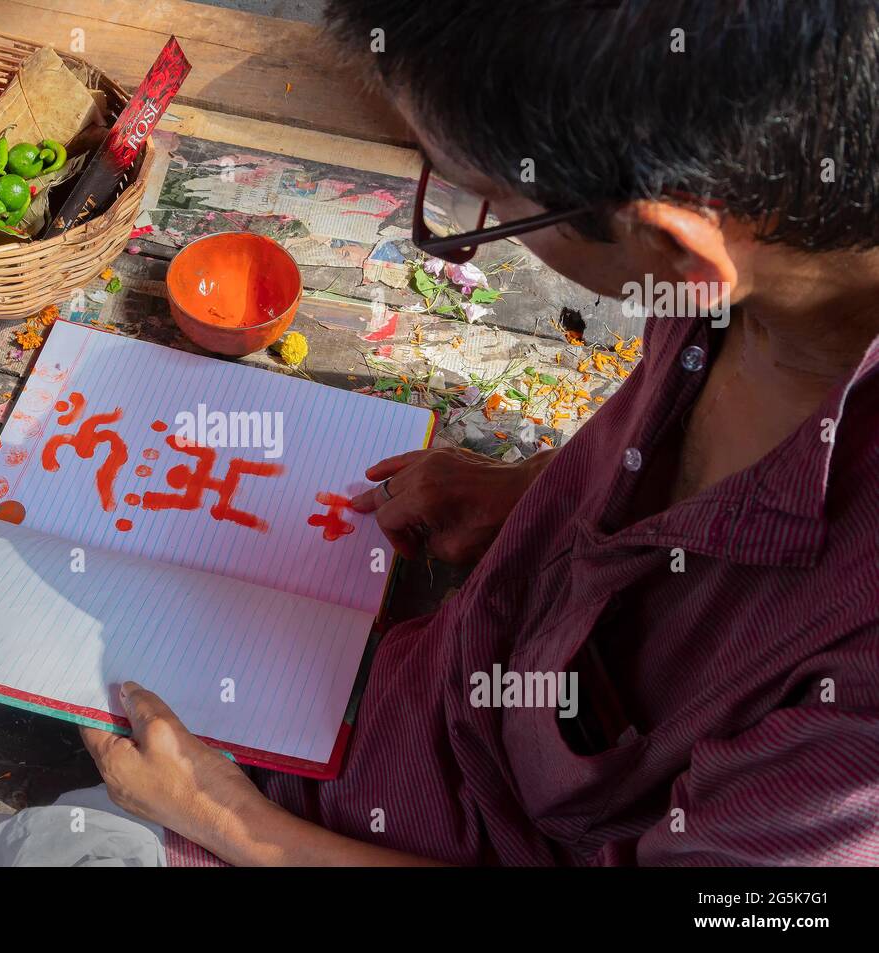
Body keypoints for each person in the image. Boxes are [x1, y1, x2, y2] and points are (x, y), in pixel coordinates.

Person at [72, 0, 879, 866]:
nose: (463, 223)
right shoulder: (764, 272)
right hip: (408, 687)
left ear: (680, 249)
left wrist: (232, 822)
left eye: (485, 200)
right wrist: (542, 488)